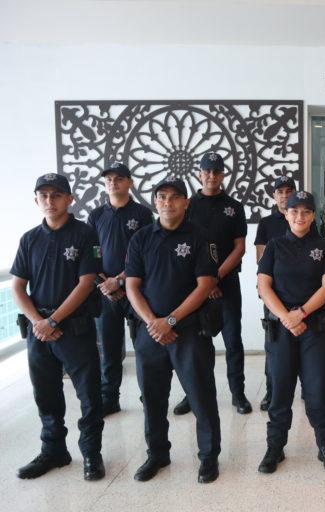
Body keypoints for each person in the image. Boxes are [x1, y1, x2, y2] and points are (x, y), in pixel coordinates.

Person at [125, 178, 221, 483]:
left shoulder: (200, 237)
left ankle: (208, 457)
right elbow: (131, 285)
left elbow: (205, 285)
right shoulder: (141, 238)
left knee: (201, 396)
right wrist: (154, 322)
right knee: (152, 398)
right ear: (155, 202)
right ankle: (157, 454)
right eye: (162, 197)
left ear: (186, 202)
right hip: (149, 333)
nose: (168, 202)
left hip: (189, 331)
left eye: (175, 197)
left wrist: (171, 320)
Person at [11, 173, 105, 481]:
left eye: (56, 195)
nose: (50, 201)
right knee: (46, 394)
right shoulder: (29, 239)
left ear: (70, 199)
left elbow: (87, 282)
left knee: (89, 395)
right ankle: (54, 451)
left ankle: (91, 454)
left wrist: (54, 320)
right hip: (40, 332)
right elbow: (18, 287)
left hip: (73, 329)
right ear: (36, 200)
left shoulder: (84, 233)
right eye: (44, 195)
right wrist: (40, 322)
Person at [256, 191, 325, 473]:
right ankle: (274, 448)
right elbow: (264, 286)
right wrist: (286, 317)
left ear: (313, 215)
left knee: (317, 391)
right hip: (281, 329)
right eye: (295, 211)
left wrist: (301, 313)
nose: (300, 217)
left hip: (315, 328)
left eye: (306, 211)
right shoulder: (274, 246)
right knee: (280, 391)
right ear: (286, 213)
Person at [173, 152, 251, 416]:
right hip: (192, 288)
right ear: (199, 173)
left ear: (223, 175)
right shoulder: (187, 205)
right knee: (193, 345)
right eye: (207, 171)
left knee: (233, 341)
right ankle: (191, 394)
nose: (212, 176)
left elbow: (239, 248)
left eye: (217, 172)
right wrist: (204, 283)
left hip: (226, 283)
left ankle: (238, 394)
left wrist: (214, 278)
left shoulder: (234, 207)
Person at [88, 162, 153, 416]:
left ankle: (149, 395)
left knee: (144, 348)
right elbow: (90, 254)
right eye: (109, 179)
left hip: (136, 290)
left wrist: (122, 280)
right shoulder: (96, 216)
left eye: (119, 178)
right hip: (105, 292)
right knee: (109, 350)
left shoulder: (142, 213)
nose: (113, 182)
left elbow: (147, 253)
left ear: (130, 183)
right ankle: (109, 398)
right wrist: (106, 283)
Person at [254, 175, 317, 410]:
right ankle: (272, 392)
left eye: (288, 190)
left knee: (304, 348)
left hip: (302, 300)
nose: (284, 195)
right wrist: (267, 292)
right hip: (275, 296)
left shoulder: (305, 219)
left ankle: (305, 389)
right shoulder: (267, 223)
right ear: (274, 196)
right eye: (280, 191)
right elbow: (261, 257)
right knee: (275, 350)